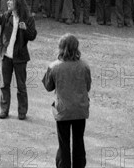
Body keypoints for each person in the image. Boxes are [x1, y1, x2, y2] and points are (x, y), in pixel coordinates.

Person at [0, 0, 37, 120]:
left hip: (20, 57)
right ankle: (4, 110)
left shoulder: (28, 18)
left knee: (21, 86)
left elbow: (33, 36)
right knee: (4, 85)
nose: (8, 3)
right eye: (8, 0)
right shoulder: (7, 15)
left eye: (11, 1)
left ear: (17, 3)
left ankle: (22, 111)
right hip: (7, 56)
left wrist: (26, 29)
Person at [42, 34, 92, 168]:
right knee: (79, 141)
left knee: (63, 144)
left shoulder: (54, 66)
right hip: (80, 109)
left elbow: (48, 86)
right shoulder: (84, 66)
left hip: (63, 110)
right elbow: (87, 87)